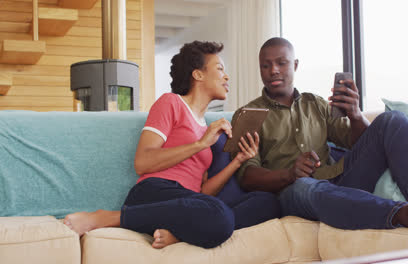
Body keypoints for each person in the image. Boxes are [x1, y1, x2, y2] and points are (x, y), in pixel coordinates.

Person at [232, 37, 408, 233]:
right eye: (266, 65)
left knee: (392, 120)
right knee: (305, 186)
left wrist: (355, 115)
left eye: (281, 63)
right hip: (294, 192)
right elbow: (247, 176)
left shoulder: (316, 104)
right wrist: (289, 174)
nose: (273, 70)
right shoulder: (248, 115)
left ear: (295, 65)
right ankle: (405, 213)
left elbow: (360, 143)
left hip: (341, 181)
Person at [64, 41, 281, 249]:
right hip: (155, 193)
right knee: (219, 215)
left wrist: (238, 161)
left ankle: (180, 233)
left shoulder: (206, 127)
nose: (226, 76)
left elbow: (203, 191)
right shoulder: (171, 103)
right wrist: (200, 144)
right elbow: (142, 162)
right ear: (198, 74)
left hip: (188, 202)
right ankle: (109, 217)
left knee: (267, 202)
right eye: (219, 68)